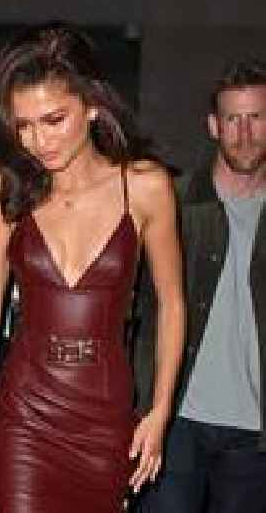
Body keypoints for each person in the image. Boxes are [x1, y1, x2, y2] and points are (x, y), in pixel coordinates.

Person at [0, 24, 185, 512]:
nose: (38, 141)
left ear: (91, 106)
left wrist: (159, 412)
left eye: (54, 120)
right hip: (24, 417)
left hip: (105, 417)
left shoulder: (144, 187)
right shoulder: (9, 190)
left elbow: (172, 305)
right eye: (23, 125)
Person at [136, 59, 266, 513]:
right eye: (233, 119)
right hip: (175, 417)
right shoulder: (171, 201)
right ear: (214, 126)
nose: (244, 134)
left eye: (256, 118)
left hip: (254, 430)